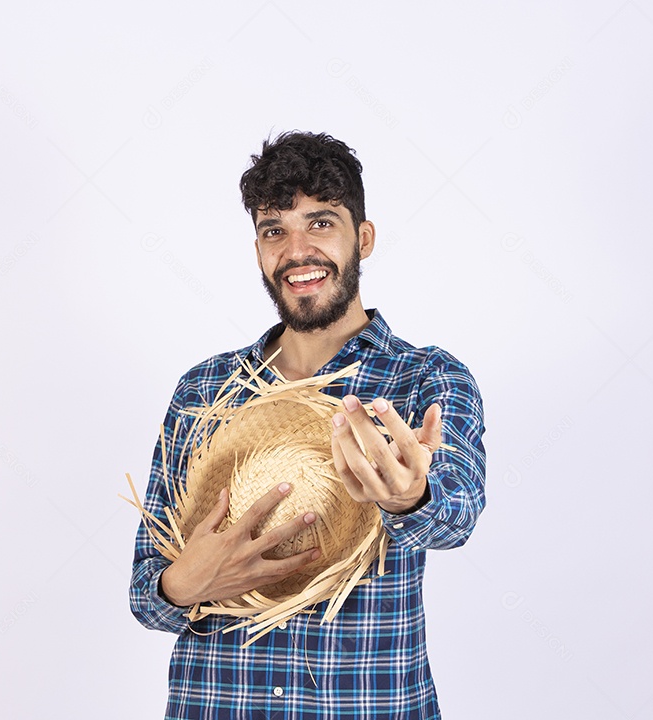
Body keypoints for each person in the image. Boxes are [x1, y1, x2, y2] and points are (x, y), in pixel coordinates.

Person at [129, 131, 487, 719]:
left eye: (321, 223)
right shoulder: (203, 390)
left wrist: (410, 497)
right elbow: (147, 594)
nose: (297, 251)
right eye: (275, 231)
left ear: (363, 239)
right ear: (259, 250)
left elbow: (456, 517)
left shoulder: (427, 377)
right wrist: (181, 585)